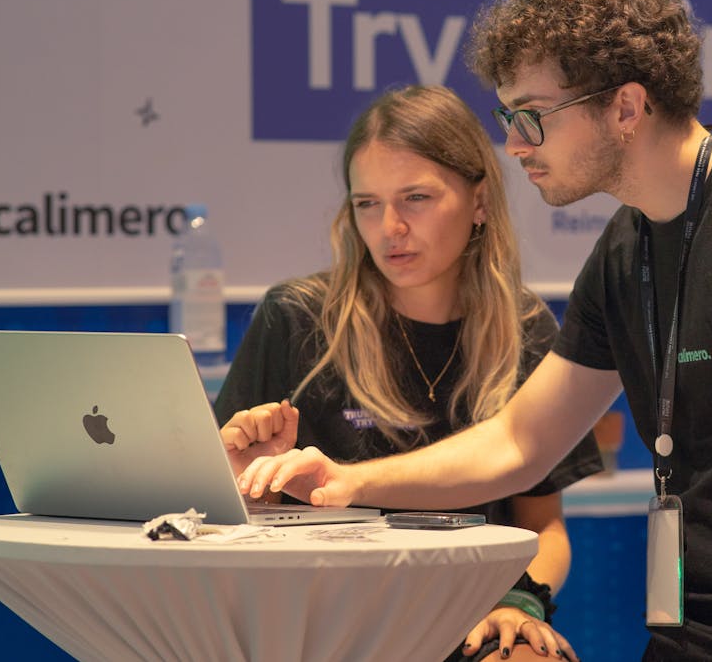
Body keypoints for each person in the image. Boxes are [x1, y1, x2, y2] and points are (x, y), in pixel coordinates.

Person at [237, 0, 712, 661]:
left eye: (531, 115)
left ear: (624, 107)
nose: (515, 142)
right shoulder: (630, 246)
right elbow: (521, 441)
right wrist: (347, 481)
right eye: (507, 116)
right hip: (688, 637)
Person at [214, 84, 601, 662]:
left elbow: (543, 528)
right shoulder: (297, 319)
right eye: (367, 203)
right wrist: (247, 482)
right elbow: (216, 527)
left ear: (479, 202)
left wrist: (519, 603)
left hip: (469, 615)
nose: (388, 226)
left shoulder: (527, 329)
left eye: (415, 198)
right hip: (325, 624)